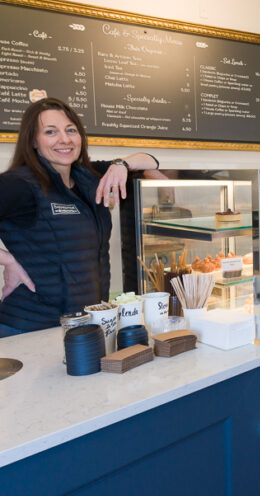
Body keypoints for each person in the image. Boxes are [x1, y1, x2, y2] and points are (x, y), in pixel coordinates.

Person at [0, 97, 159, 337]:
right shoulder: (20, 184)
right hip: (30, 326)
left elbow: (151, 160)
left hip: (83, 323)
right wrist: (7, 260)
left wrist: (121, 164)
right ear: (33, 140)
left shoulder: (88, 176)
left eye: (71, 130)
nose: (64, 139)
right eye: (51, 132)